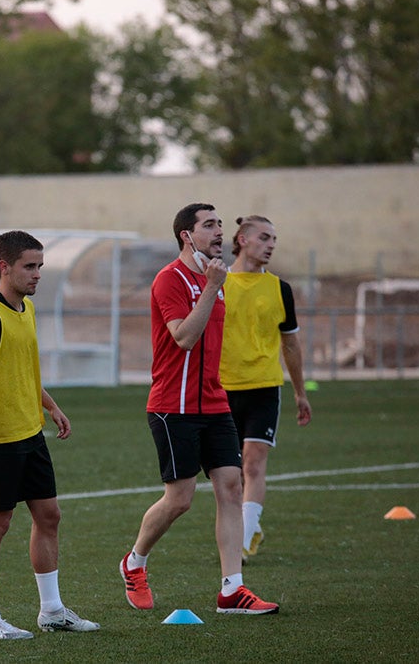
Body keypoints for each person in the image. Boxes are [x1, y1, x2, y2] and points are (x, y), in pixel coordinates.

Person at [119, 203, 279, 615]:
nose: (219, 232)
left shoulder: (218, 279)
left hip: (214, 401)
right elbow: (184, 338)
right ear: (185, 236)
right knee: (180, 499)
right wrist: (210, 287)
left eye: (220, 224)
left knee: (231, 486)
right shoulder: (169, 280)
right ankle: (134, 562)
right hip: (173, 407)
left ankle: (232, 590)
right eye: (209, 225)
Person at [0, 230, 100, 640]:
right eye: (30, 267)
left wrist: (51, 406)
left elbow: (22, 369)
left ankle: (51, 611)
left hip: (30, 431)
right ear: (4, 267)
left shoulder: (25, 309)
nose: (37, 275)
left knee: (49, 515)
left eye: (40, 267)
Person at [219, 215, 313, 564]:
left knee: (254, 464)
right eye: (264, 237)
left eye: (274, 238)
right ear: (242, 239)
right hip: (221, 388)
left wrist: (300, 392)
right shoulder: (217, 283)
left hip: (264, 388)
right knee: (228, 471)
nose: (271, 244)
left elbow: (291, 344)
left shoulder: (280, 289)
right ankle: (235, 529)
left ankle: (244, 537)